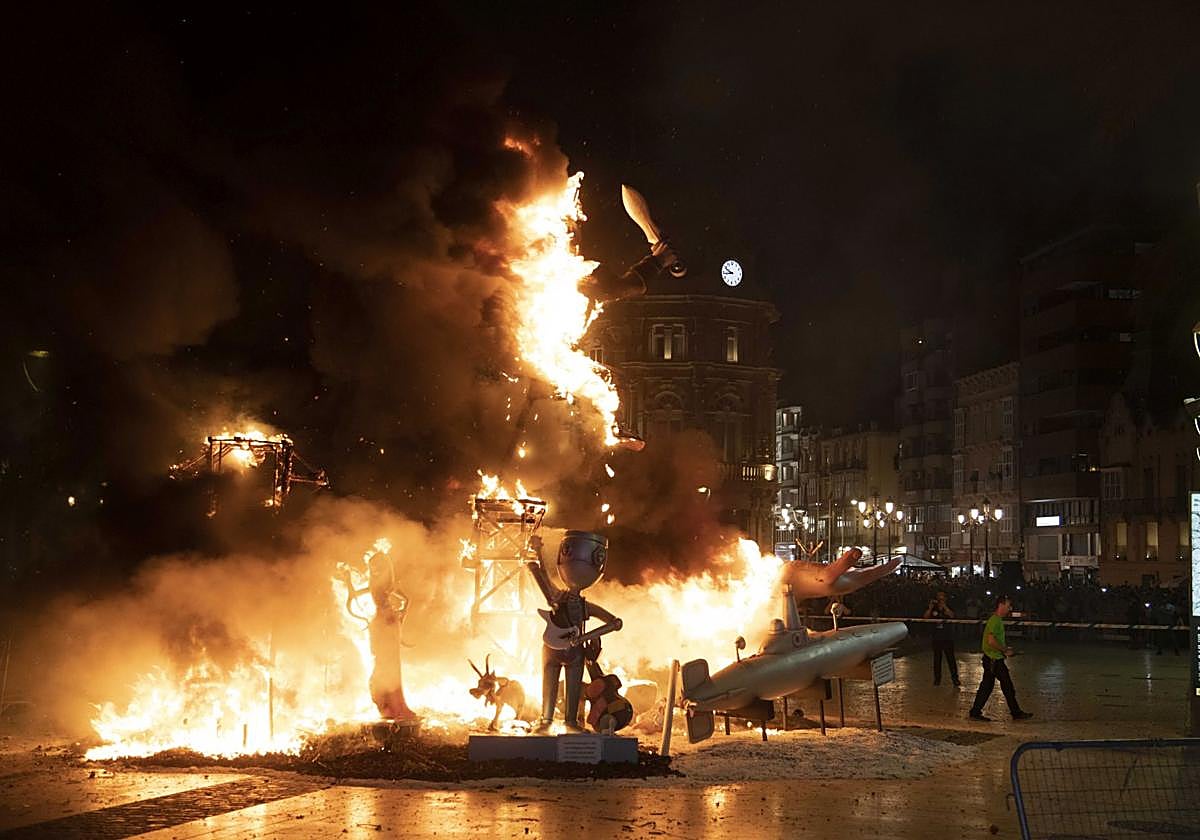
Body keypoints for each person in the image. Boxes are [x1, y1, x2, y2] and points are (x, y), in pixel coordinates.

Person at [969, 594, 1032, 722]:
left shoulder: (995, 620)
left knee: (988, 686)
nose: (1010, 608)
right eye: (1008, 606)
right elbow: (991, 641)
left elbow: (992, 641)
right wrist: (1005, 650)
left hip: (992, 659)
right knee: (1006, 686)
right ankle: (1015, 713)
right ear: (1001, 605)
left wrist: (1004, 649)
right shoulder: (995, 620)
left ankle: (976, 711)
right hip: (994, 660)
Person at [924, 591, 960, 687]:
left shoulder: (948, 607)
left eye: (942, 597)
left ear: (945, 598)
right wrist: (930, 608)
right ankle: (937, 679)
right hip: (936, 637)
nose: (940, 598)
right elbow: (925, 617)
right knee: (937, 659)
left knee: (951, 659)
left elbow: (952, 615)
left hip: (947, 637)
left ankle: (955, 679)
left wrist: (945, 607)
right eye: (938, 596)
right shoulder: (934, 608)